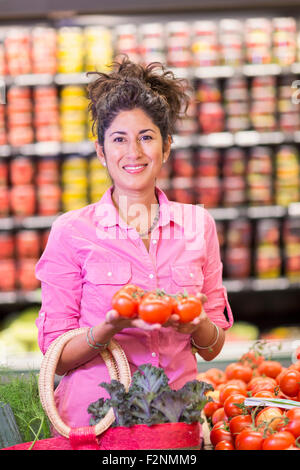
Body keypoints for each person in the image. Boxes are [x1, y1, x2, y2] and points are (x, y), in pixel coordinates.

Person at [35, 57, 233, 430]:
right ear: (101, 151)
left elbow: (213, 347)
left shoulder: (198, 224)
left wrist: (198, 324)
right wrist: (108, 328)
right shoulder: (71, 231)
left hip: (176, 420)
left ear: (166, 146)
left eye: (146, 137)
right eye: (119, 139)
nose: (134, 153)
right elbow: (56, 358)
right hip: (97, 423)